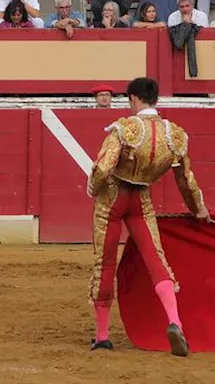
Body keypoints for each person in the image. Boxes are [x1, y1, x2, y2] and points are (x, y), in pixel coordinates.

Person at [87, 76, 204, 355]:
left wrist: (93, 188)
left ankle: (102, 336)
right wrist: (198, 208)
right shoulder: (174, 135)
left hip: (113, 199)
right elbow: (186, 180)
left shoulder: (125, 128)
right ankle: (175, 321)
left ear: (133, 99)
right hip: (142, 200)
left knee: (105, 264)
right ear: (156, 99)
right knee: (156, 259)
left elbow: (103, 168)